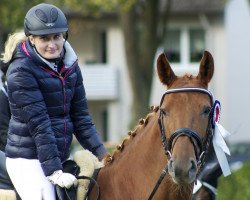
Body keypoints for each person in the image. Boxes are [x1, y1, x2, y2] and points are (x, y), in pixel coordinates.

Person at [4, 3, 108, 200]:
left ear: (64, 36)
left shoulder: (70, 66)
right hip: (27, 160)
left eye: (56, 37)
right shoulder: (20, 72)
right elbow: (40, 125)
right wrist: (54, 172)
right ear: (32, 39)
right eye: (44, 38)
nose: (52, 44)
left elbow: (82, 118)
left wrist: (105, 156)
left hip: (57, 156)